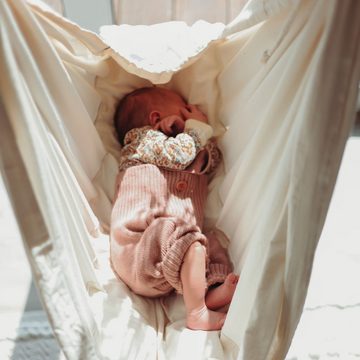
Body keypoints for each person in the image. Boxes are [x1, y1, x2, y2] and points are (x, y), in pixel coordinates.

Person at [110, 86, 238, 331]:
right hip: (140, 246)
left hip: (171, 256)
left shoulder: (184, 150)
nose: (192, 117)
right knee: (189, 239)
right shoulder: (141, 142)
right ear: (156, 119)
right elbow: (178, 154)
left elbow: (212, 160)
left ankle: (207, 292)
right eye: (184, 111)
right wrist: (196, 129)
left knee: (208, 242)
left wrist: (201, 136)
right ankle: (196, 312)